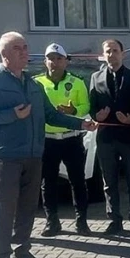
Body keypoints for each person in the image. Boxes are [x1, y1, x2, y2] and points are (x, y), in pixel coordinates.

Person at [0, 32, 97, 258]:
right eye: (17, 48)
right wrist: (11, 115)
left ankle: (22, 250)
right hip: (3, 155)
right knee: (5, 207)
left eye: (25, 47)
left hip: (33, 154)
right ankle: (1, 256)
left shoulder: (33, 84)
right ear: (4, 54)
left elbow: (51, 115)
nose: (24, 52)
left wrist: (81, 124)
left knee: (28, 206)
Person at [89, 38, 130, 237]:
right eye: (108, 51)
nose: (111, 54)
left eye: (115, 50)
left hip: (128, 136)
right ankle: (114, 220)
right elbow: (91, 106)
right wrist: (97, 116)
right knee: (109, 182)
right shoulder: (95, 77)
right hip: (106, 138)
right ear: (103, 54)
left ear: (123, 53)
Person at [35, 43, 92, 236]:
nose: (55, 62)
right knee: (48, 182)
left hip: (71, 138)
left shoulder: (77, 82)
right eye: (51, 58)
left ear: (66, 61)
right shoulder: (36, 83)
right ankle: (52, 222)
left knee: (78, 180)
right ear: (45, 62)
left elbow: (86, 107)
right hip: (48, 139)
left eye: (59, 58)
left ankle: (82, 221)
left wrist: (73, 110)